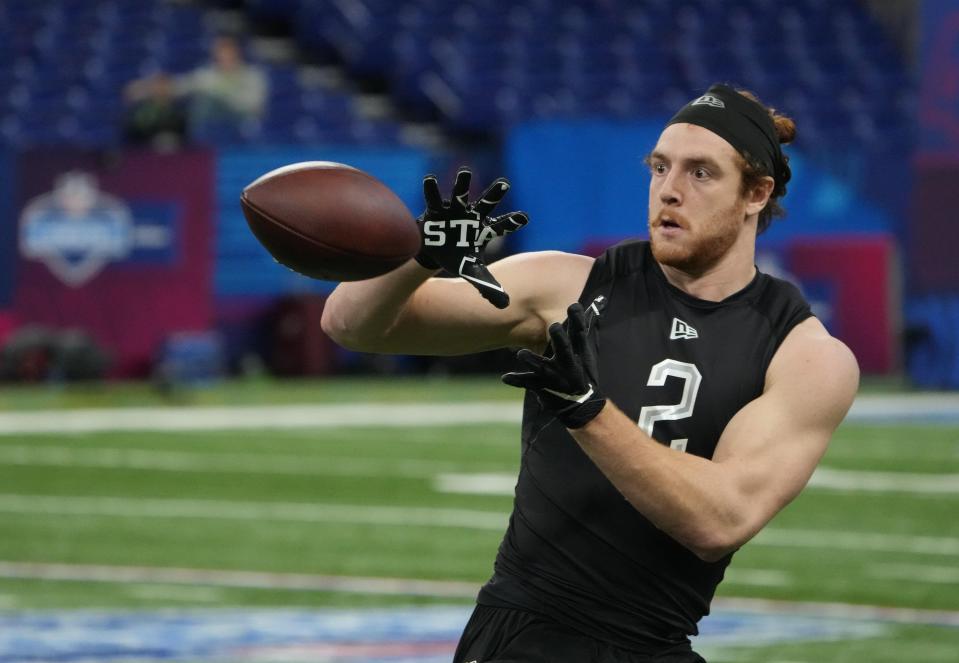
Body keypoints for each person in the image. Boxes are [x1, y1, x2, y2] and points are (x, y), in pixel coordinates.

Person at [320, 83, 859, 662]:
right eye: (660, 167)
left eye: (700, 173)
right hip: (525, 634)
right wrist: (416, 257)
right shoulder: (570, 286)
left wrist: (587, 410)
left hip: (654, 644)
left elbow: (719, 521)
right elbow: (352, 325)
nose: (669, 191)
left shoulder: (805, 353)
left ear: (756, 193)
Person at [124, 35, 267, 141]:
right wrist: (143, 89)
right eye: (220, 54)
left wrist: (222, 95)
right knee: (200, 103)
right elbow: (179, 87)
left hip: (241, 121)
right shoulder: (208, 75)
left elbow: (254, 105)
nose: (224, 58)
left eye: (228, 54)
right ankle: (194, 142)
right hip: (211, 121)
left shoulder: (252, 76)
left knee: (208, 98)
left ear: (237, 54)